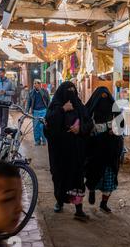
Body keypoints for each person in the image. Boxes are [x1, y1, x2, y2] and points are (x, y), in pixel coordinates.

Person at [44, 81, 91, 221]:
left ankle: (79, 209)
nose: (71, 92)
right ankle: (59, 201)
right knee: (59, 177)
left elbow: (89, 123)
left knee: (77, 179)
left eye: (73, 89)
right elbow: (48, 125)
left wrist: (80, 128)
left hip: (76, 151)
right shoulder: (56, 106)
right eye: (67, 90)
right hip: (59, 152)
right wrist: (62, 110)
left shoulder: (79, 106)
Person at [84, 87, 124, 213]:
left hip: (111, 149)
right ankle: (91, 190)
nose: (104, 102)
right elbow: (85, 120)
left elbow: (121, 123)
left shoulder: (114, 108)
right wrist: (92, 128)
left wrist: (115, 129)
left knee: (110, 176)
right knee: (94, 173)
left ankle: (104, 203)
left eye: (106, 98)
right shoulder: (89, 113)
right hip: (95, 149)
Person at [0, 68, 16, 141]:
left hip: (5, 103)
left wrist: (5, 92)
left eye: (0, 73)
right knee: (0, 118)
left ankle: (2, 135)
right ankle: (4, 133)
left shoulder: (9, 82)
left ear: (4, 73)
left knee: (4, 119)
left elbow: (13, 92)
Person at [26, 79, 50, 146]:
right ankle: (37, 140)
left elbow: (48, 100)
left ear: (40, 84)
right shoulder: (31, 92)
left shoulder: (45, 91)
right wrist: (26, 111)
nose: (35, 85)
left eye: (37, 83)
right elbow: (28, 103)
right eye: (34, 83)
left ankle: (44, 140)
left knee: (43, 126)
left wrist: (40, 90)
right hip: (35, 112)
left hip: (43, 111)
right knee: (36, 127)